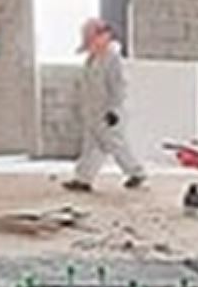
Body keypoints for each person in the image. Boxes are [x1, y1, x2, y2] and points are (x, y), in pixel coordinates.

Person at [62, 17, 145, 191]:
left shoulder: (113, 59)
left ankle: (136, 173)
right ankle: (83, 179)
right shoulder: (93, 58)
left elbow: (119, 86)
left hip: (108, 112)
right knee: (91, 146)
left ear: (104, 35)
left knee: (116, 144)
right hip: (94, 111)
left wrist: (114, 109)